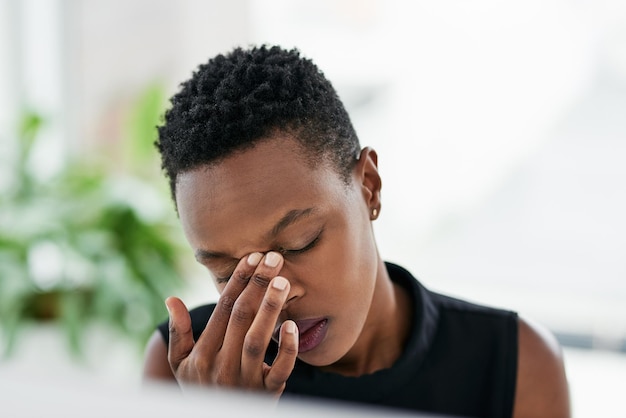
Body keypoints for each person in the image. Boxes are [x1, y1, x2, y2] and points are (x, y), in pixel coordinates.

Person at [142, 45, 570, 417]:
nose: (276, 292)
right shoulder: (187, 370)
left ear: (369, 186)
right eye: (227, 271)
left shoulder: (515, 366)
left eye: (300, 242)